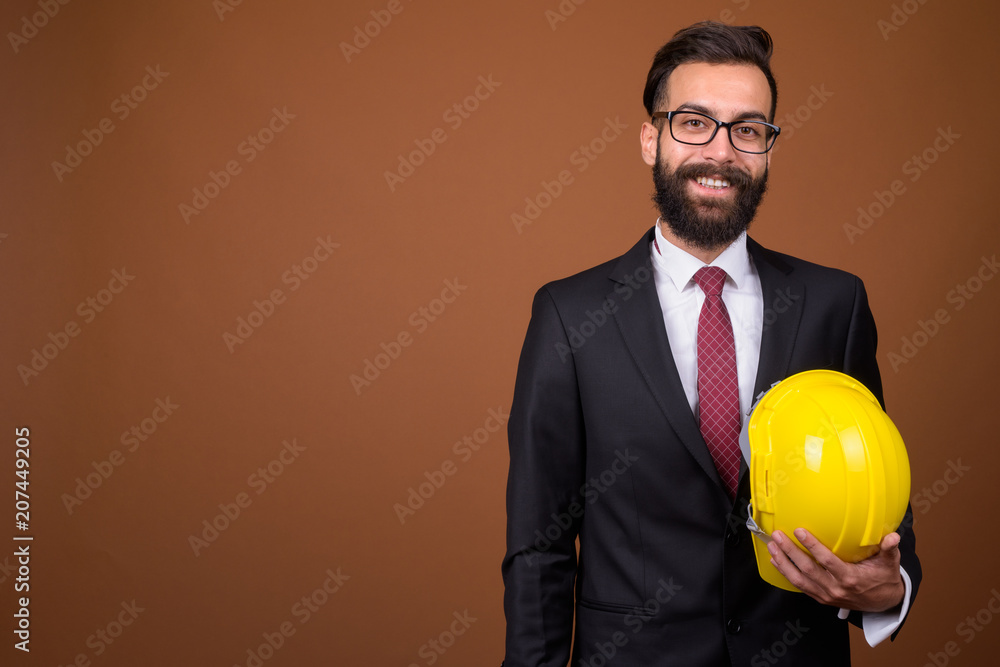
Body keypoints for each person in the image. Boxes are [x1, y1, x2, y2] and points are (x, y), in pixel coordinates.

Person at [501, 21, 920, 666]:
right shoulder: (569, 314)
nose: (721, 151)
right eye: (694, 122)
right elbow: (539, 545)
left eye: (747, 130)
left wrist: (892, 589)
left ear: (768, 149)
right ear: (652, 139)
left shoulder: (834, 305)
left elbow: (878, 485)